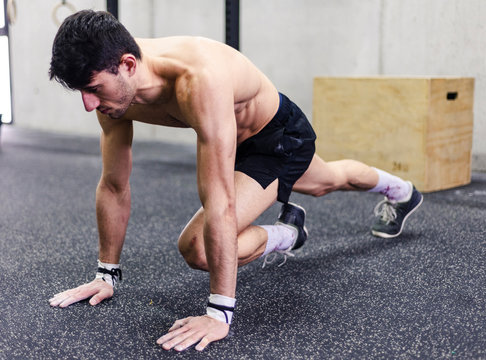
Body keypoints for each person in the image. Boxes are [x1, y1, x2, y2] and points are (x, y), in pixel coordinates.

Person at [48, 10, 423, 352]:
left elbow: (221, 202)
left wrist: (218, 314)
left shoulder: (197, 81)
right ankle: (339, 215)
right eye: (81, 91)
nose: (87, 104)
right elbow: (114, 185)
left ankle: (387, 196)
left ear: (127, 64)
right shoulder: (112, 93)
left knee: (203, 245)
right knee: (327, 179)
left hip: (276, 139)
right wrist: (106, 275)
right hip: (231, 139)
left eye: (93, 89)